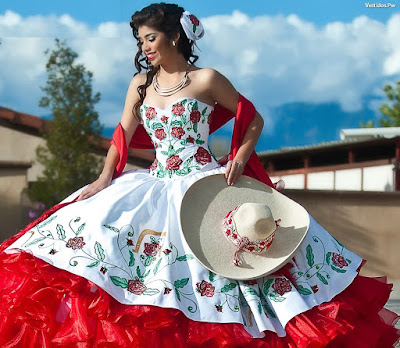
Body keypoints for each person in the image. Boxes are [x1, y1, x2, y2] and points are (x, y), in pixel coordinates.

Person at [0, 3, 398, 347]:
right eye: (140, 41)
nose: (144, 48)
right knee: (105, 244)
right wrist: (104, 179)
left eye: (150, 38)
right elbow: (122, 136)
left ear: (174, 36)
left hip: (205, 181)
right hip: (153, 183)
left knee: (226, 267)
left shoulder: (206, 79)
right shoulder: (140, 85)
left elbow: (252, 117)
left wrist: (239, 158)